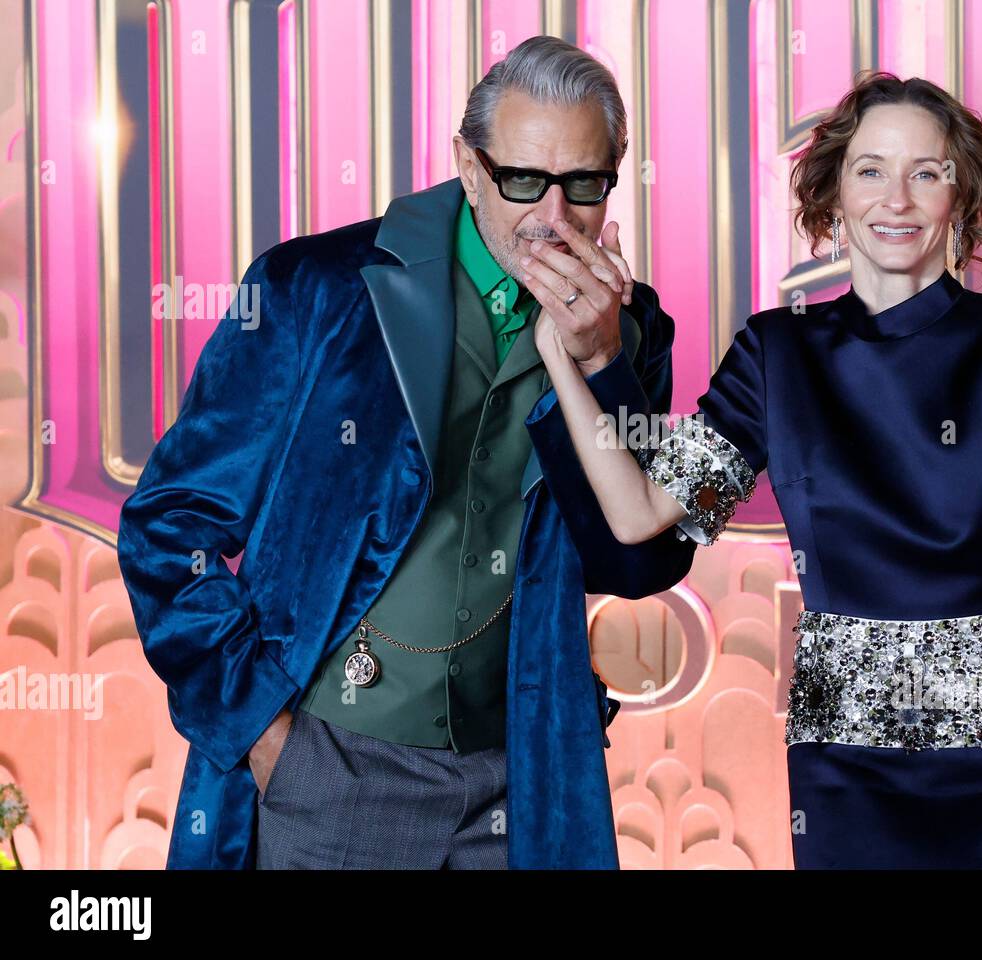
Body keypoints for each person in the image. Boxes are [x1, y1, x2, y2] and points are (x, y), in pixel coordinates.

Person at [116, 35, 696, 870]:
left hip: (521, 781)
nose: (554, 217)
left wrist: (602, 363)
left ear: (616, 175)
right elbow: (169, 525)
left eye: (585, 185)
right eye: (523, 180)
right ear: (468, 167)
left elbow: (636, 564)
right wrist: (263, 734)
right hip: (329, 773)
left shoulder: (629, 328)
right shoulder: (314, 288)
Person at [523, 71, 982, 868]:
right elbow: (637, 515)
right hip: (848, 781)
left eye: (927, 172)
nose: (896, 200)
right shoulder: (778, 352)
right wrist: (564, 361)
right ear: (834, 194)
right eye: (871, 170)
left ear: (962, 193)